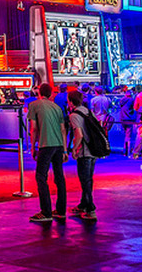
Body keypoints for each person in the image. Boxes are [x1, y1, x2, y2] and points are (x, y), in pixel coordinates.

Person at [27, 83, 67, 223]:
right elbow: (63, 129)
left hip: (45, 144)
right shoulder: (57, 107)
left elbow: (34, 128)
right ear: (51, 94)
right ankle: (61, 210)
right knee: (59, 177)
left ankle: (46, 211)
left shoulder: (34, 105)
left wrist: (33, 146)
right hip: (58, 145)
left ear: (39, 92)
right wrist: (65, 149)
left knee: (41, 177)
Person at [68, 90, 97, 221]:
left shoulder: (74, 115)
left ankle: (90, 209)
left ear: (70, 101)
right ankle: (84, 204)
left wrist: (74, 149)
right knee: (89, 179)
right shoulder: (87, 111)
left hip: (84, 151)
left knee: (85, 180)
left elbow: (79, 135)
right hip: (93, 150)